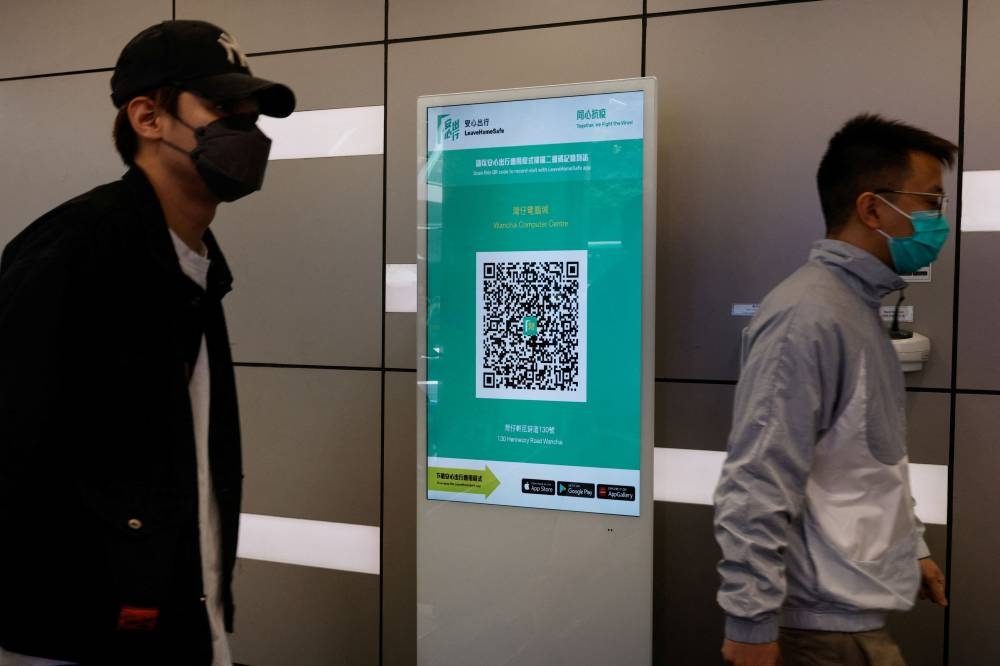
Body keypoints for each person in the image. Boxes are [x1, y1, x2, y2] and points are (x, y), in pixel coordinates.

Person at [0, 20, 294, 666]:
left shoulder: (195, 265)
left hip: (184, 616)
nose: (247, 133)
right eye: (222, 110)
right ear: (148, 117)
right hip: (81, 633)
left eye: (251, 116)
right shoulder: (74, 251)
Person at [713, 114, 955, 666]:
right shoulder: (809, 316)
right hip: (820, 633)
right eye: (931, 203)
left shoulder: (855, 310)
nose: (938, 222)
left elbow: (863, 460)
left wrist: (908, 548)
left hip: (847, 619)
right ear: (873, 208)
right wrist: (750, 624)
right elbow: (758, 478)